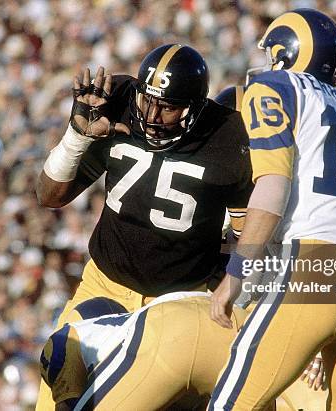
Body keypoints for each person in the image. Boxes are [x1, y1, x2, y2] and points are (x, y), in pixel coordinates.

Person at [35, 44, 253, 409]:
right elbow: (49, 195)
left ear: (195, 108)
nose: (152, 116)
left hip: (180, 303)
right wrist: (77, 136)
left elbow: (247, 236)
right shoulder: (116, 103)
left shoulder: (228, 139)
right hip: (105, 285)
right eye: (146, 102)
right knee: (57, 384)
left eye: (167, 108)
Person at [209, 8, 336, 410]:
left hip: (309, 265)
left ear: (285, 54)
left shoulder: (276, 86)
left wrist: (235, 275)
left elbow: (273, 190)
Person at [40, 293, 326, 411]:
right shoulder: (150, 310)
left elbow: (67, 405)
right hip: (241, 321)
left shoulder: (72, 334)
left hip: (170, 339)